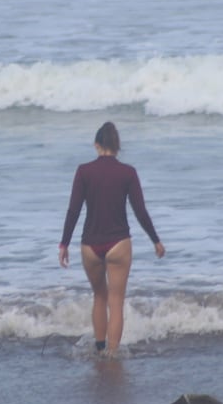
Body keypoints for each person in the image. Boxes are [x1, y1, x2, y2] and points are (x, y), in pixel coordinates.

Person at [59, 121, 165, 356]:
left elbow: (73, 210)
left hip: (90, 244)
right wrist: (155, 240)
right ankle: (113, 354)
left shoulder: (84, 171)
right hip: (118, 243)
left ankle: (99, 348)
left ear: (96, 145)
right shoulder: (127, 173)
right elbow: (140, 211)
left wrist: (64, 243)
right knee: (116, 301)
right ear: (117, 146)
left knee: (99, 296)